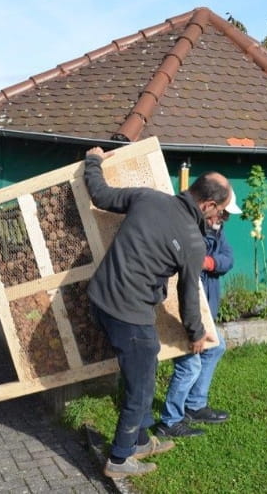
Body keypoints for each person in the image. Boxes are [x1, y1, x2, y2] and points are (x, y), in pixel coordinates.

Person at [84, 146, 232, 478]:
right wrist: (196, 334)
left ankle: (138, 441)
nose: (219, 218)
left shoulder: (149, 198)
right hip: (129, 313)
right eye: (220, 211)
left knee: (143, 368)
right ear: (208, 205)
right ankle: (119, 460)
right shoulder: (193, 242)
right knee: (141, 389)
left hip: (99, 298)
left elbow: (101, 194)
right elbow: (188, 296)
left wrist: (93, 161)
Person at [156, 191, 240, 437]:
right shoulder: (189, 230)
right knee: (189, 365)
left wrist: (210, 263)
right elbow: (186, 282)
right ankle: (170, 421)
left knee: (216, 347)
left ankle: (194, 405)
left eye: (227, 215)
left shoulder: (216, 231)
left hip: (202, 311)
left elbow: (228, 259)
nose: (224, 218)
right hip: (182, 310)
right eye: (223, 213)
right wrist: (200, 261)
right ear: (210, 207)